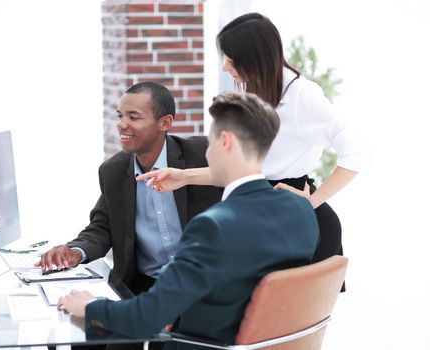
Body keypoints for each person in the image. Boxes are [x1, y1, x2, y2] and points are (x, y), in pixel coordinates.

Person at [57, 91, 319, 348]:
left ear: (224, 142)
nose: (206, 151)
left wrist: (89, 306)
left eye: (212, 140)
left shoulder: (212, 227)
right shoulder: (300, 209)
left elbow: (144, 319)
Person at [137, 13, 370, 273]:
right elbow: (249, 171)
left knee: (292, 309)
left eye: (232, 60)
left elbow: (357, 151)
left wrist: (312, 201)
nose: (225, 67)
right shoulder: (251, 92)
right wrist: (184, 175)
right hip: (263, 214)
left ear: (256, 60)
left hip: (296, 222)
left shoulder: (302, 96)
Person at [36, 82, 222, 294]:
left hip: (208, 284)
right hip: (147, 288)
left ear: (165, 123)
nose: (122, 124)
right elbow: (102, 227)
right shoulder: (113, 171)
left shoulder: (202, 155)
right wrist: (75, 251)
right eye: (119, 116)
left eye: (133, 117)